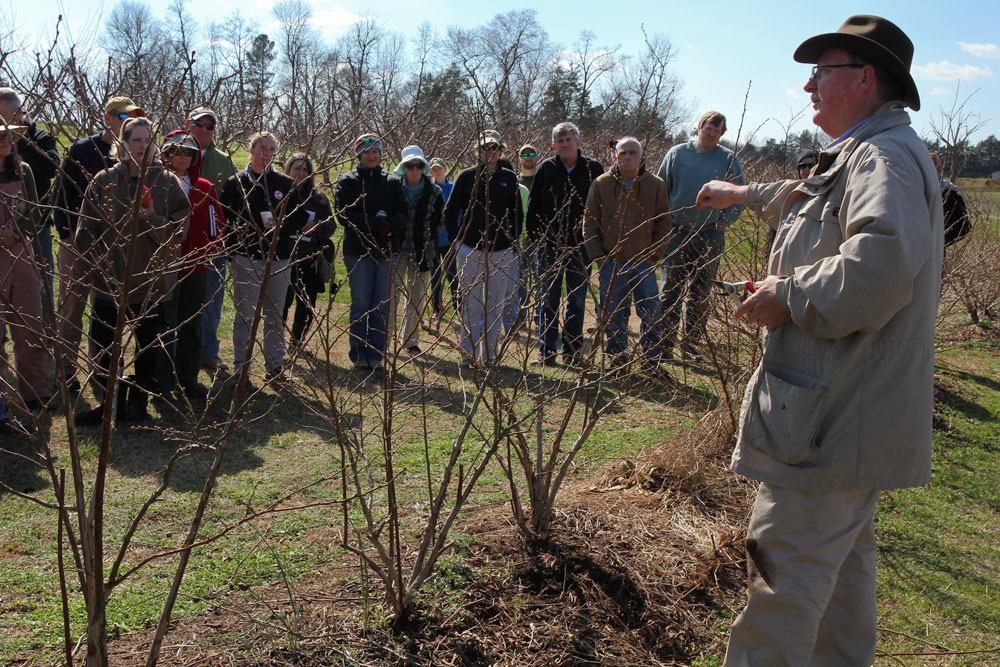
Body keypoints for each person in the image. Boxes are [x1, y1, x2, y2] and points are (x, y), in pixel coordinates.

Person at [695, 15, 941, 666]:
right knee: (838, 610)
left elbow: (878, 268)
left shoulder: (883, 154)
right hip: (838, 426)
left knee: (776, 597)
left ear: (863, 79)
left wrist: (789, 294)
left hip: (830, 431)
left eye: (820, 72)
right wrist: (782, 275)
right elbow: (812, 210)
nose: (808, 87)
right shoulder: (861, 152)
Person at [73, 117, 190, 424]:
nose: (141, 146)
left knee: (147, 344)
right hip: (109, 281)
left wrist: (152, 218)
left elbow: (180, 231)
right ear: (122, 144)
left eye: (146, 139)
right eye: (135, 140)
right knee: (103, 345)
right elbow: (84, 231)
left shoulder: (167, 182)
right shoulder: (104, 180)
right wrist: (101, 261)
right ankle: (111, 404)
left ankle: (139, 403)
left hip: (150, 280)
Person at [54, 96, 144, 395]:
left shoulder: (136, 155)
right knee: (72, 306)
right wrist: (70, 235)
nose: (126, 124)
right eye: (122, 118)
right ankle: (65, 371)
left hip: (117, 250)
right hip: (80, 243)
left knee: (106, 310)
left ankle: (103, 372)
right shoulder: (83, 150)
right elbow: (62, 195)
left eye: (131, 119)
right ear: (107, 118)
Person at [657, 110, 745, 361]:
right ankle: (664, 344)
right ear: (699, 127)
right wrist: (664, 223)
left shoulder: (727, 159)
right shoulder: (677, 154)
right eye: (708, 127)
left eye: (717, 131)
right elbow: (661, 189)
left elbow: (739, 196)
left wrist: (723, 221)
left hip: (709, 235)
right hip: (677, 232)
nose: (711, 133)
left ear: (721, 135)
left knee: (700, 292)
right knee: (670, 289)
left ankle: (691, 346)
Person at [221, 131, 305, 387]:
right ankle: (241, 369)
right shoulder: (236, 182)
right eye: (261, 147)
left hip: (278, 258)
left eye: (271, 149)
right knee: (245, 315)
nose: (265, 153)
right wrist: (238, 242)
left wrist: (281, 226)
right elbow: (226, 218)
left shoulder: (284, 183)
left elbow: (299, 217)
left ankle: (275, 367)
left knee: (275, 315)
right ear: (250, 149)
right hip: (246, 257)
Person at [583, 137, 669, 369]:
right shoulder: (600, 184)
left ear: (641, 157)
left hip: (643, 263)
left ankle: (651, 360)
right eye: (623, 153)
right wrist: (600, 258)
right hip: (612, 262)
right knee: (613, 315)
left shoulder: (656, 184)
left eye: (633, 153)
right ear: (615, 156)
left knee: (651, 311)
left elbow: (663, 223)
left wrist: (653, 255)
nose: (628, 157)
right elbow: (589, 223)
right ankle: (616, 359)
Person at [527, 122, 604, 366]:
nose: (564, 144)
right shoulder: (546, 169)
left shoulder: (593, 168)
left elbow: (600, 207)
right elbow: (534, 208)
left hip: (580, 247)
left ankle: (572, 352)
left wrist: (594, 241)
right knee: (547, 299)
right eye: (559, 141)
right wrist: (538, 238)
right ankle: (546, 351)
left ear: (578, 142)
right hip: (549, 245)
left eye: (568, 139)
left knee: (577, 299)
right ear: (553, 145)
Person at [443, 130, 522, 366]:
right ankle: (467, 354)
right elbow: (450, 211)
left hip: (501, 250)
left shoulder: (509, 177)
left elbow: (516, 213)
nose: (491, 152)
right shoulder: (466, 177)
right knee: (471, 304)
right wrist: (458, 240)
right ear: (478, 151)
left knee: (495, 305)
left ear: (501, 151)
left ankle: (489, 354)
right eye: (486, 148)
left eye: (495, 147)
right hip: (470, 249)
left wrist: (511, 239)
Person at [160, 130, 225, 400]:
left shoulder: (204, 187)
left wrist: (209, 250)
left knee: (191, 325)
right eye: (177, 151)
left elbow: (216, 224)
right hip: (163, 268)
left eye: (188, 152)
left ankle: (188, 380)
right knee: (163, 325)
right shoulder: (156, 183)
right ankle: (161, 381)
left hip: (196, 266)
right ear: (166, 154)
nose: (183, 157)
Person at [335, 133, 406, 372]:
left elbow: (403, 213)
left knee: (380, 304)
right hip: (358, 251)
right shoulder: (348, 181)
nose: (372, 156)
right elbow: (343, 215)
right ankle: (358, 353)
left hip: (387, 251)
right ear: (358, 154)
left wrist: (390, 222)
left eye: (375, 151)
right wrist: (371, 221)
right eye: (367, 152)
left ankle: (376, 353)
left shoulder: (393, 181)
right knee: (361, 303)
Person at [0, 122, 53, 429]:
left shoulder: (24, 170)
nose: (6, 139)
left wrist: (15, 232)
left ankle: (36, 393)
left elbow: (36, 212)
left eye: (8, 134)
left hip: (22, 256)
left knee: (30, 326)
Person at [0, 88, 59, 320]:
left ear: (20, 113)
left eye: (6, 119)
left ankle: (45, 342)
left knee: (40, 291)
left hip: (35, 228)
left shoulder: (40, 138)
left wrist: (19, 142)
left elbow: (51, 167)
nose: (3, 127)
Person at [186, 106, 237, 375]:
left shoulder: (222, 160)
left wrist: (224, 238)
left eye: (210, 126)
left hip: (214, 242)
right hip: (181, 242)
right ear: (188, 124)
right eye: (199, 124)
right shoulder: (175, 151)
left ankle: (207, 352)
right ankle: (177, 352)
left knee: (212, 298)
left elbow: (229, 203)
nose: (204, 130)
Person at [390, 145, 443, 356]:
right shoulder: (393, 189)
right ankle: (384, 338)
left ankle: (410, 341)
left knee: (417, 297)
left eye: (418, 165)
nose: (414, 169)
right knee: (390, 295)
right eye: (410, 166)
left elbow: (439, 220)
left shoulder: (434, 192)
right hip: (395, 249)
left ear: (423, 167)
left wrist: (428, 238)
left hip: (423, 251)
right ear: (403, 168)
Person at [281, 152, 335, 349]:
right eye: (297, 168)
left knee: (307, 303)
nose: (301, 173)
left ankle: (296, 342)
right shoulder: (280, 193)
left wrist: (317, 226)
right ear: (288, 169)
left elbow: (331, 227)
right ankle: (276, 342)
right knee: (282, 302)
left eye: (306, 169)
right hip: (284, 258)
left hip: (310, 259)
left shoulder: (318, 198)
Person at [429, 157, 456, 320]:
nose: (437, 171)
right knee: (435, 275)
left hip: (449, 238)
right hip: (433, 239)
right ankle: (437, 308)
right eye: (434, 169)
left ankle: (458, 305)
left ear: (445, 169)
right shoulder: (429, 189)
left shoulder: (452, 188)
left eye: (439, 168)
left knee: (453, 274)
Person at [929, 151, 972, 247]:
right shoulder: (910, 191)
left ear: (937, 169)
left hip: (933, 254)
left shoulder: (948, 193)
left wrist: (938, 243)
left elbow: (963, 227)